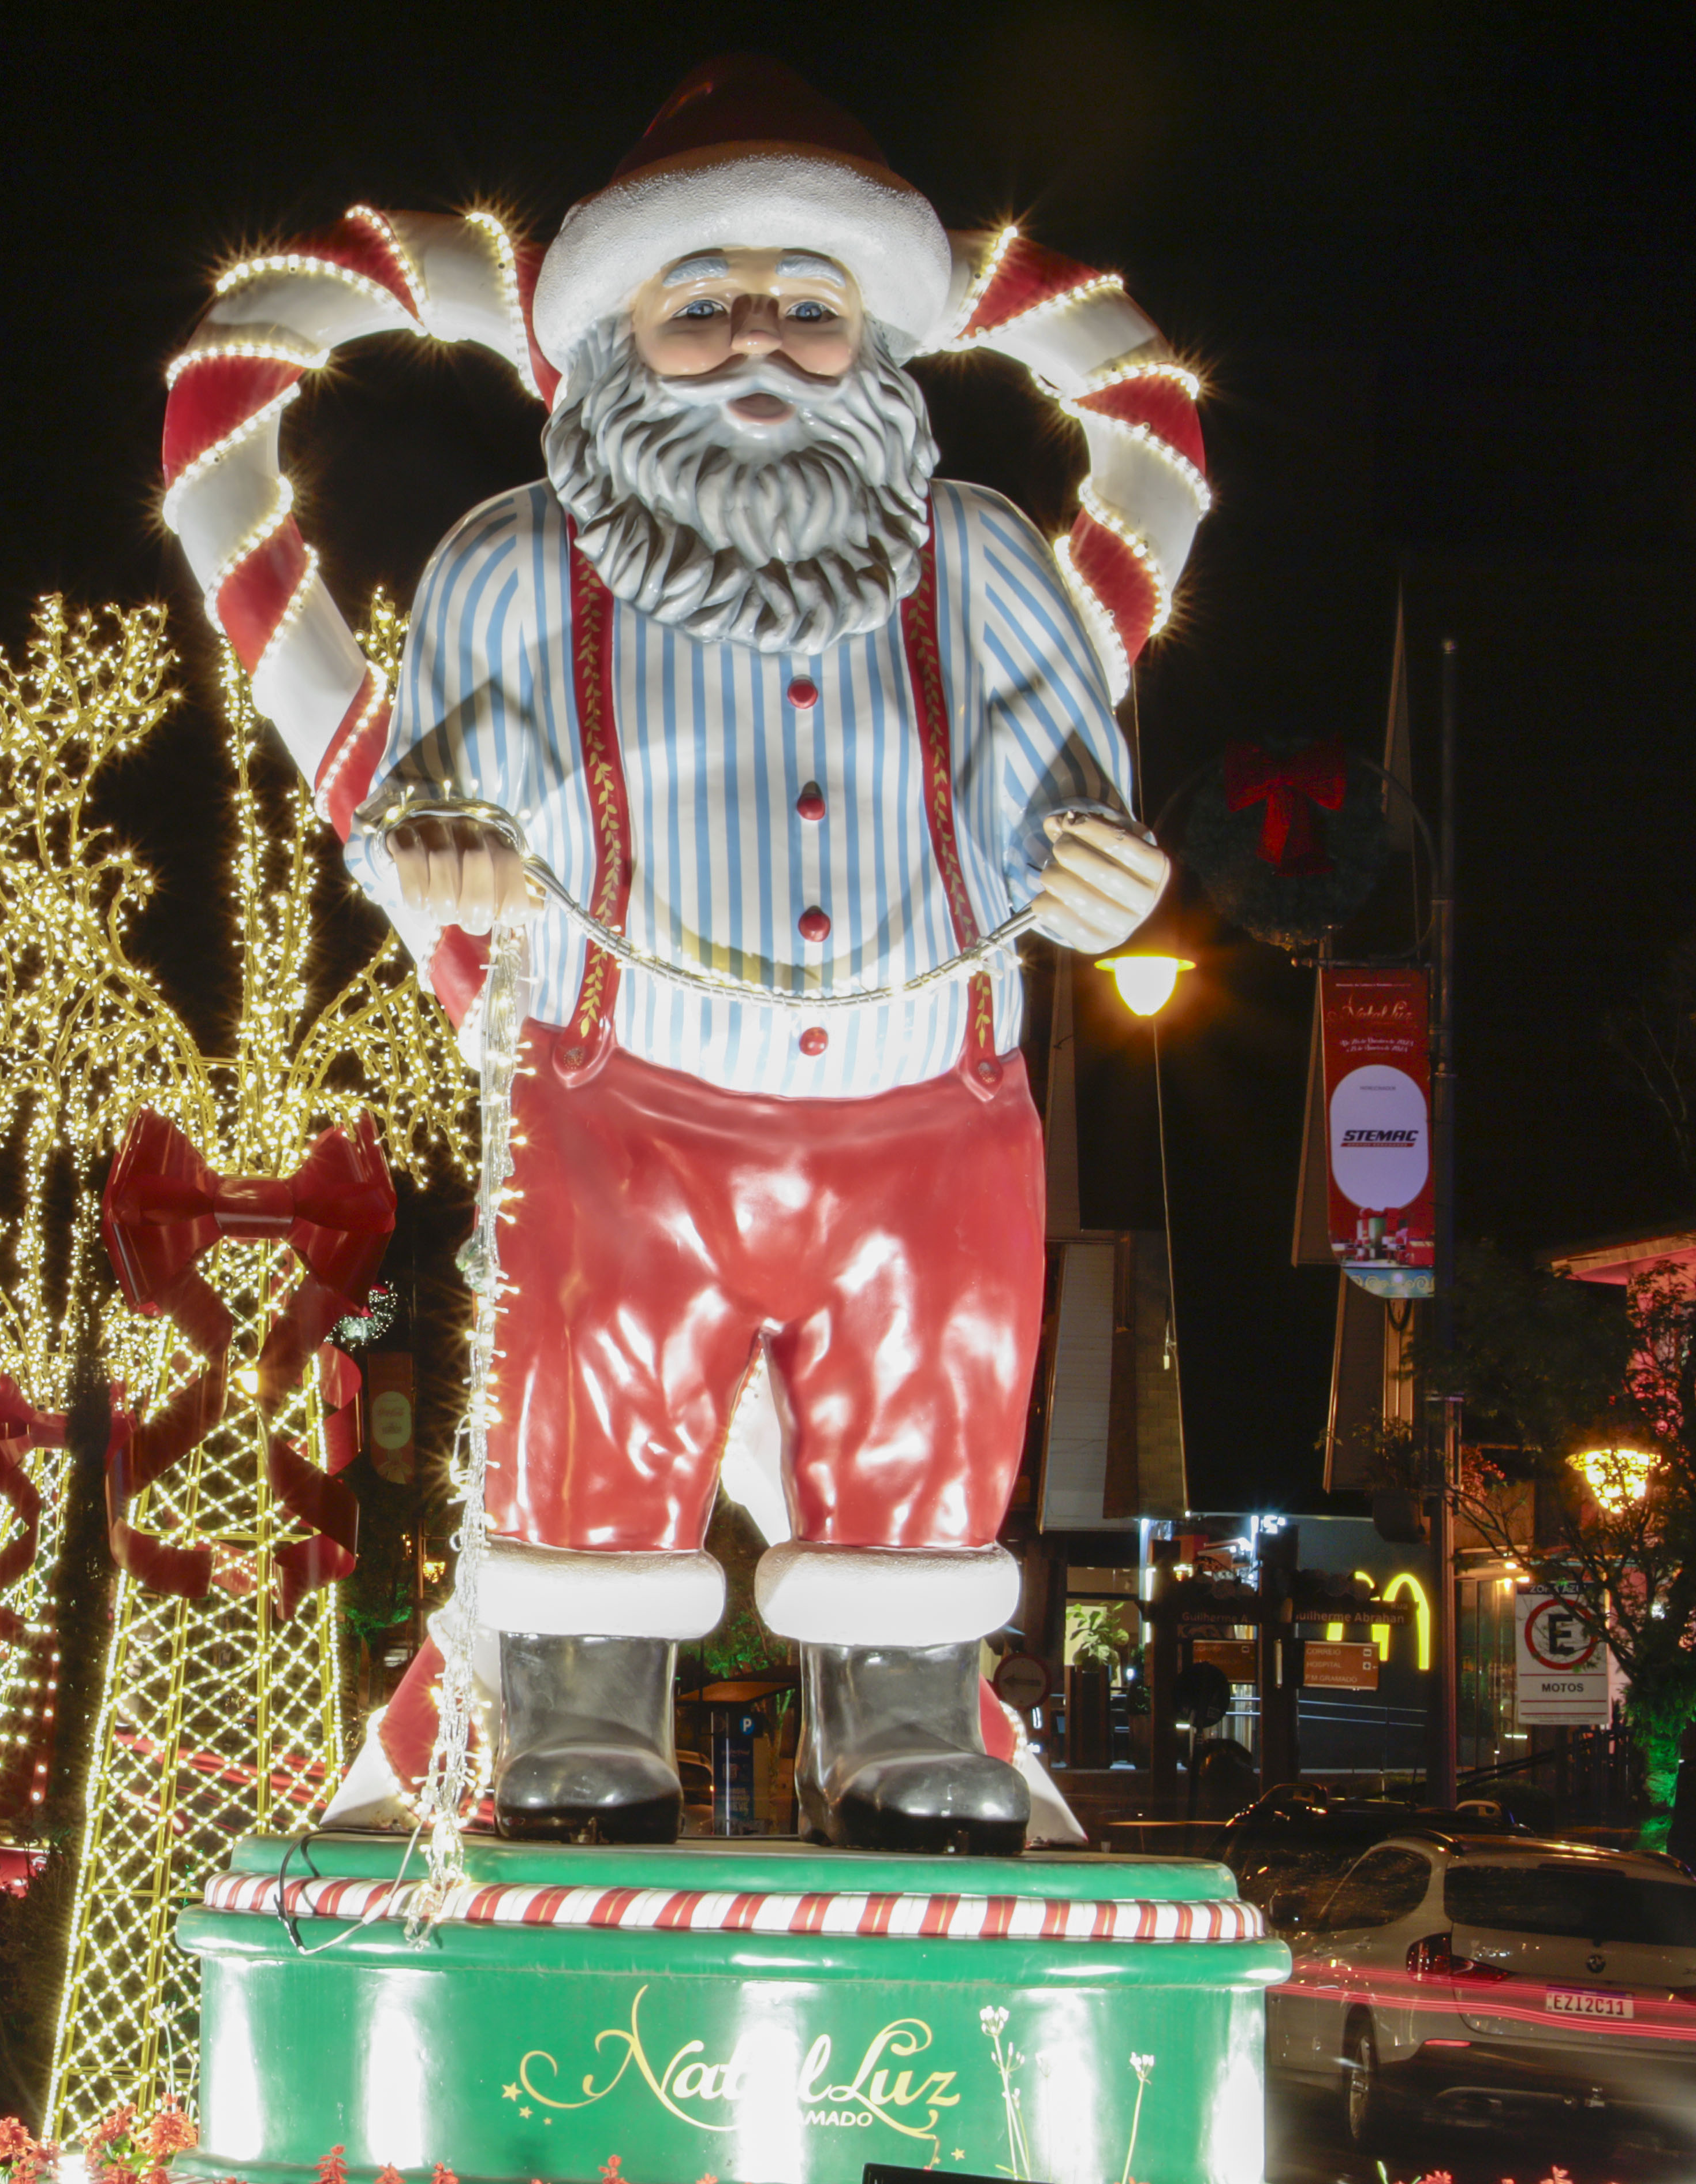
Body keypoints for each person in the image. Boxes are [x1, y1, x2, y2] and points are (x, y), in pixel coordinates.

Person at [353, 58, 1170, 1851]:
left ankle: (905, 1731)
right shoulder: (516, 564)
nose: (755, 348)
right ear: (620, 332)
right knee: (599, 1413)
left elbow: (1071, 794)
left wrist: (1101, 871)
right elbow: (428, 792)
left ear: (874, 338)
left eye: (807, 310)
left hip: (928, 1116)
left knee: (931, 1420)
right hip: (625, 1102)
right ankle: (579, 1710)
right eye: (703, 305)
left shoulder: (981, 560)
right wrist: (447, 842)